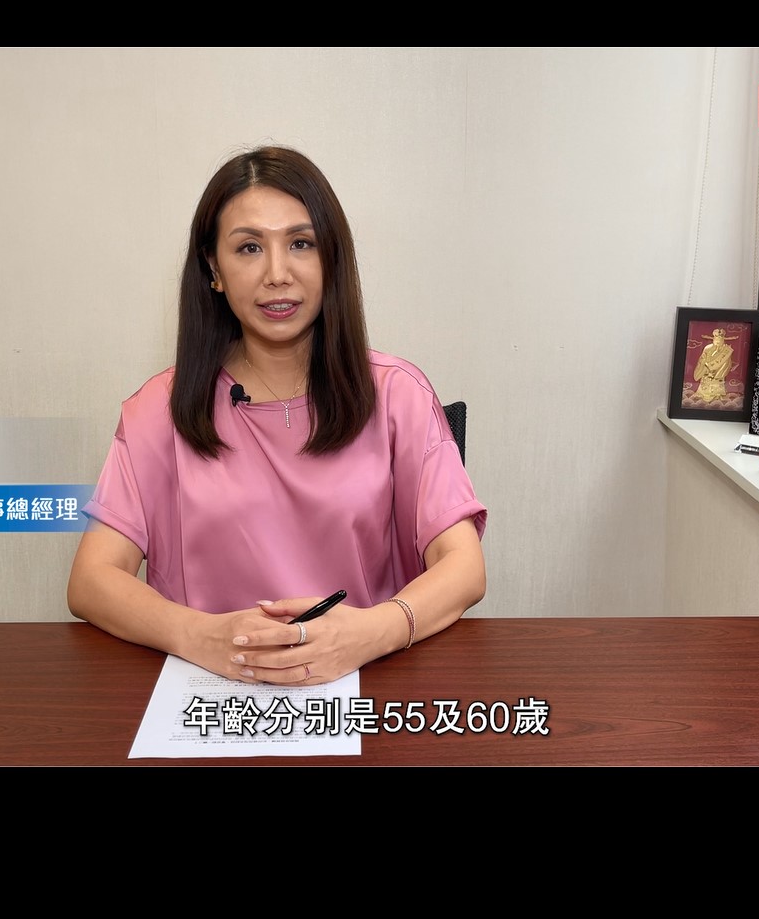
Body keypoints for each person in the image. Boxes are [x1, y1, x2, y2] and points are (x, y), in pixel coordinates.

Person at [68, 146, 487, 687]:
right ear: (214, 269)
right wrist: (202, 636)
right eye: (249, 247)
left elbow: (464, 567)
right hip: (211, 688)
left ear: (330, 258)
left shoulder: (397, 394)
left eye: (300, 243)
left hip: (366, 680)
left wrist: (370, 632)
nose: (277, 274)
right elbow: (92, 580)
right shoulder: (159, 409)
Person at [693, 327, 735, 402]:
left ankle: (717, 396)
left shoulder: (726, 350)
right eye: (716, 339)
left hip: (718, 374)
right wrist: (705, 365)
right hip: (707, 372)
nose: (718, 342)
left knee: (717, 389)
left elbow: (727, 364)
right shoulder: (707, 348)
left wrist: (719, 373)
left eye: (720, 340)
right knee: (705, 389)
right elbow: (702, 359)